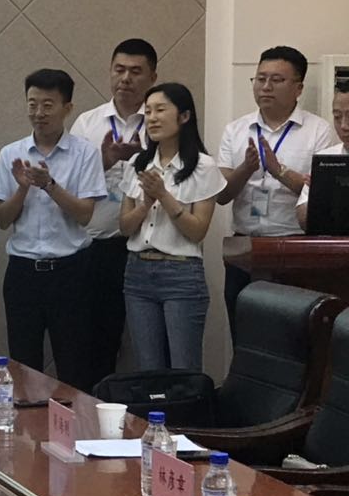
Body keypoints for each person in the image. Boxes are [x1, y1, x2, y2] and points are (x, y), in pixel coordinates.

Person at [0, 69, 106, 388]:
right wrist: (22, 188)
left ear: (67, 108)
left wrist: (50, 185)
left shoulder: (85, 153)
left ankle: (74, 422)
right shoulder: (10, 153)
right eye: (32, 104)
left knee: (74, 364)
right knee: (23, 364)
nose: (38, 113)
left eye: (47, 105)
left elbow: (85, 215)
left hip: (71, 272)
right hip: (23, 272)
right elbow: (2, 219)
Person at [217, 46, 338, 338]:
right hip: (245, 247)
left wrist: (278, 170)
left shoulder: (318, 131)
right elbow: (221, 195)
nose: (266, 87)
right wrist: (246, 169)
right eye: (260, 79)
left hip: (295, 248)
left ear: (298, 88)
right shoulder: (236, 130)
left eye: (276, 79)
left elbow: (323, 197)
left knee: (294, 338)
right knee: (244, 336)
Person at [69, 38, 157, 388]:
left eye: (136, 72)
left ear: (152, 77)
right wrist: (105, 161)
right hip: (96, 246)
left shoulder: (160, 121)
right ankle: (94, 406)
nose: (126, 79)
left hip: (144, 247)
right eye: (119, 70)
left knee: (144, 343)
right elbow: (68, 184)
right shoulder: (87, 123)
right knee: (94, 340)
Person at [118, 84, 224, 370]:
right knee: (148, 369)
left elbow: (198, 231)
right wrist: (145, 204)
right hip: (137, 271)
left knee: (183, 369)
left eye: (160, 110)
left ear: (184, 116)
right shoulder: (137, 163)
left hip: (181, 273)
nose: (152, 118)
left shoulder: (203, 166)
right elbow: (125, 227)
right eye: (148, 111)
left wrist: (164, 196)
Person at [297, 79, 349, 230]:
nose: (344, 126)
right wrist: (320, 196)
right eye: (337, 117)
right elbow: (303, 221)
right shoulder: (325, 159)